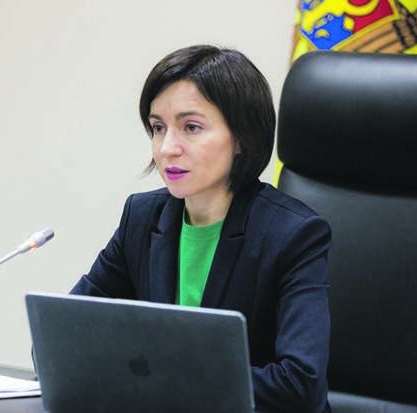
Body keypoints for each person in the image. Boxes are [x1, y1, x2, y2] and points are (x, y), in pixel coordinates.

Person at [70, 45, 331, 413]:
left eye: (191, 127)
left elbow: (300, 385)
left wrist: (164, 379)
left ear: (241, 138)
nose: (167, 148)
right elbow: (64, 338)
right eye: (158, 128)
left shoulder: (294, 235)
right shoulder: (141, 218)